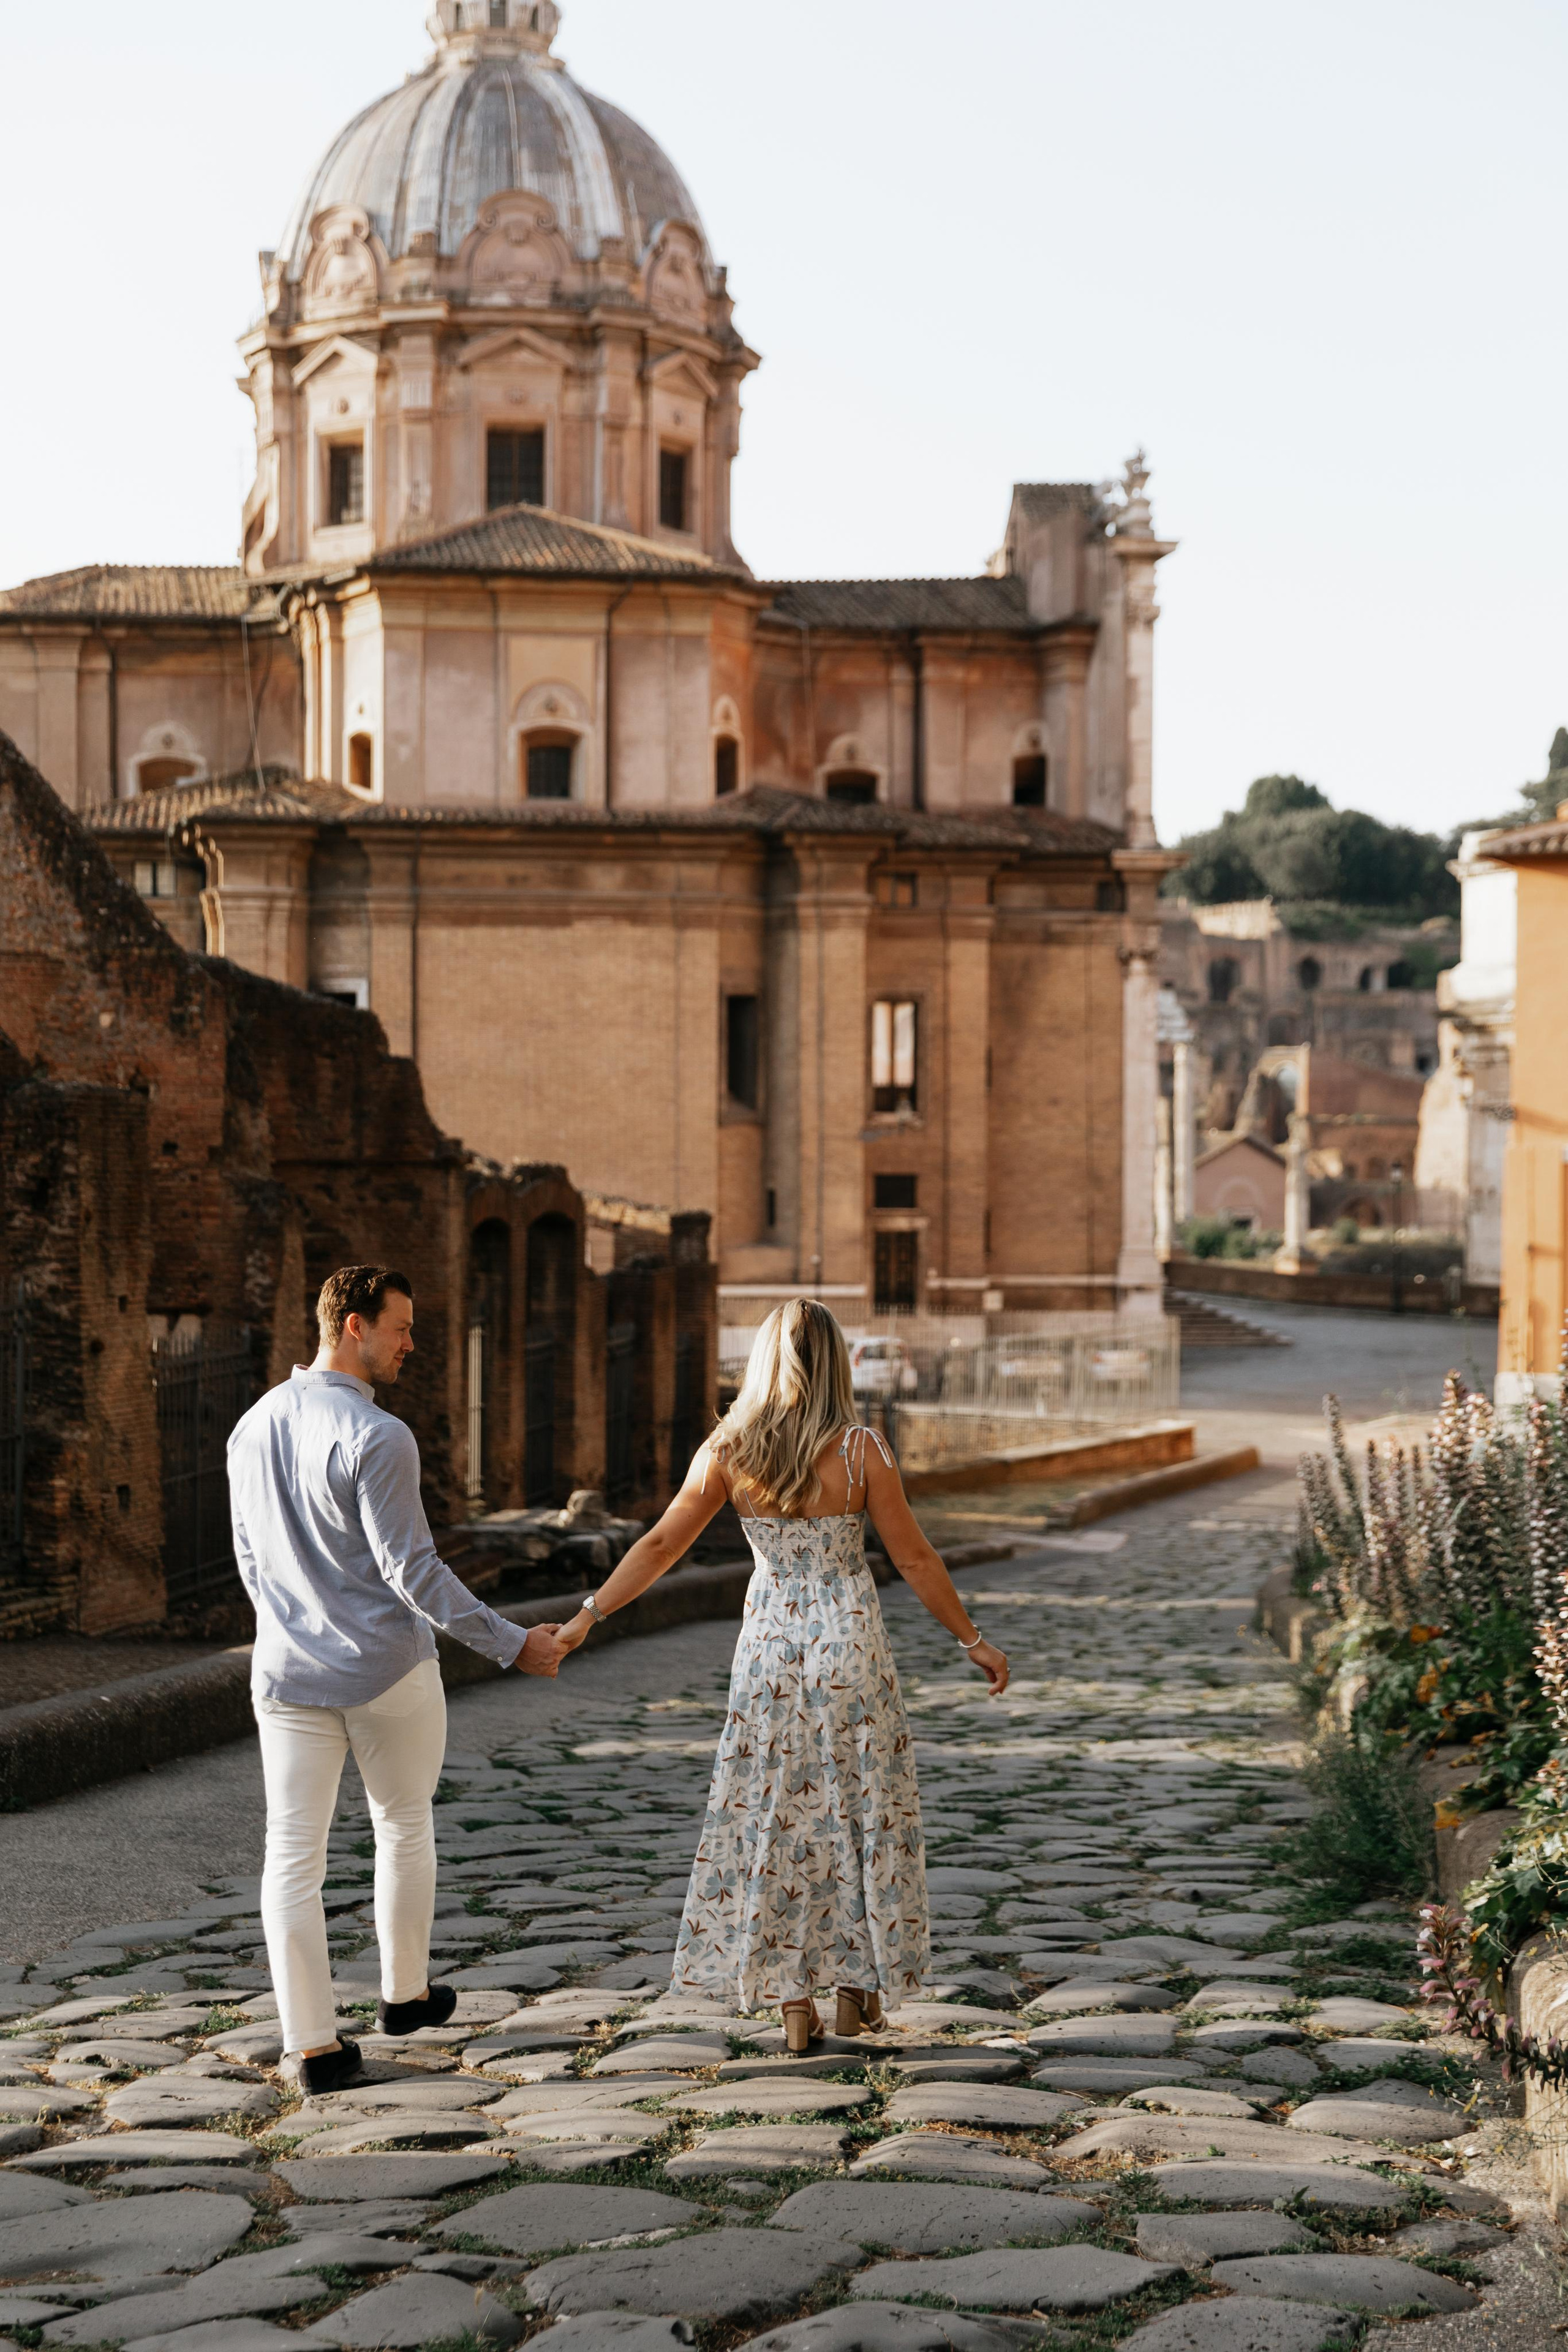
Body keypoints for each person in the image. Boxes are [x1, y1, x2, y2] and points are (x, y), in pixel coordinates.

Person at [554, 1297, 1008, 2052]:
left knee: (780, 1820)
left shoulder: (729, 1448)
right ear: (835, 1363)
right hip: (850, 1651)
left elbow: (663, 1543)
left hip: (769, 1655)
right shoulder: (862, 1451)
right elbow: (915, 1558)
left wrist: (586, 1616)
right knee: (860, 1815)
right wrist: (974, 1641)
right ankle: (856, 1991)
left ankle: (793, 2001)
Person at [227, 1264, 566, 2093]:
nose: (412, 1344)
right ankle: (405, 1996)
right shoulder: (380, 1437)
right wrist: (511, 1643)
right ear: (353, 1324)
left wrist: (288, 1626)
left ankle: (313, 2048)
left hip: (286, 1672)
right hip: (386, 1671)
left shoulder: (252, 1424)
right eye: (401, 1328)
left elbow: (246, 1555)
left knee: (292, 1858)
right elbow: (414, 1572)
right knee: (404, 1823)